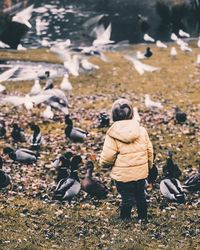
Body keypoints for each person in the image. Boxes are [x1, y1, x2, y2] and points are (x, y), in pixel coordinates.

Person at [99, 98, 153, 222]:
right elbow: (149, 151)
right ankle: (143, 217)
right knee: (140, 196)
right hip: (140, 174)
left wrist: (103, 164)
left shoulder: (112, 134)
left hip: (122, 176)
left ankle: (125, 218)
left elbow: (108, 157)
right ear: (131, 114)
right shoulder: (141, 131)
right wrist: (149, 167)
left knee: (127, 197)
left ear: (113, 115)